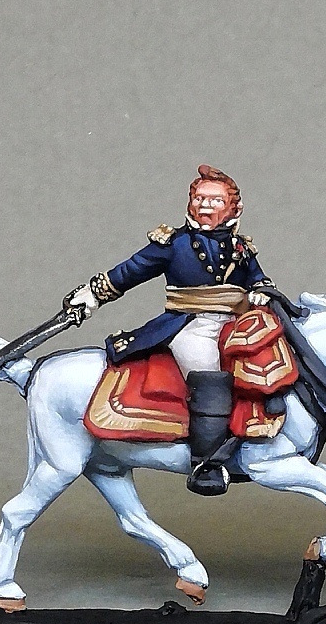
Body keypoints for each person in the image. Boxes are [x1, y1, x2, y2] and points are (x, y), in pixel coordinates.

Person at [65, 164, 276, 496]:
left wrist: (262, 289)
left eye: (216, 200)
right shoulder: (172, 244)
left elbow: (257, 278)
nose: (205, 205)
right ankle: (207, 464)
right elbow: (131, 271)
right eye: (200, 198)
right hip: (190, 324)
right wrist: (93, 294)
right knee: (208, 375)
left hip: (235, 323)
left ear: (234, 208)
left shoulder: (242, 248)